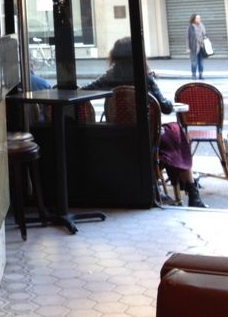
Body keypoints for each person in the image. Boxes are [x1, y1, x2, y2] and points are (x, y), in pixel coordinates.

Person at [82, 37, 206, 208]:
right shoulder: (145, 77)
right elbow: (165, 107)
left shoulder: (109, 77)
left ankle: (159, 186)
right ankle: (192, 192)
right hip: (147, 135)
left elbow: (85, 90)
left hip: (118, 135)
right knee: (177, 134)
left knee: (172, 137)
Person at [187, 13, 208, 80]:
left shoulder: (202, 25)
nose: (199, 19)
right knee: (194, 62)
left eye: (199, 18)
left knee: (201, 62)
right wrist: (188, 48)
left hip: (201, 47)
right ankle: (194, 75)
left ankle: (200, 74)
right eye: (197, 18)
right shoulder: (190, 27)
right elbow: (187, 38)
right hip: (194, 47)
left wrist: (205, 42)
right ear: (194, 19)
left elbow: (205, 35)